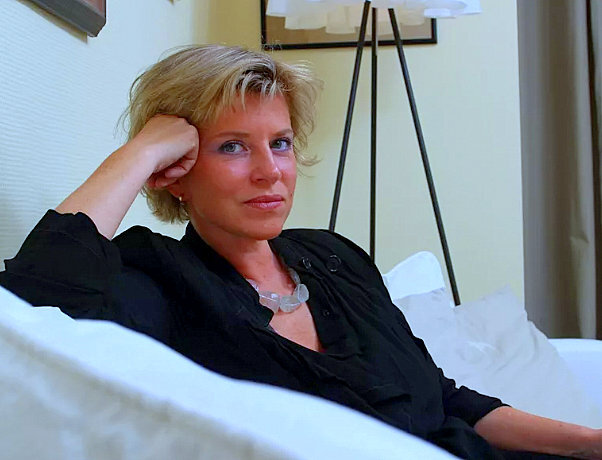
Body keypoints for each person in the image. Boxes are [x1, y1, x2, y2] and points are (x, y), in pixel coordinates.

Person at [0, 44, 600, 460]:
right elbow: (34, 301)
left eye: (281, 143)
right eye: (233, 147)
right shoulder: (158, 280)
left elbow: (446, 401)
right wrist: (139, 153)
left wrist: (587, 442)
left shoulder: (336, 257)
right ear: (176, 172)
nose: (271, 172)